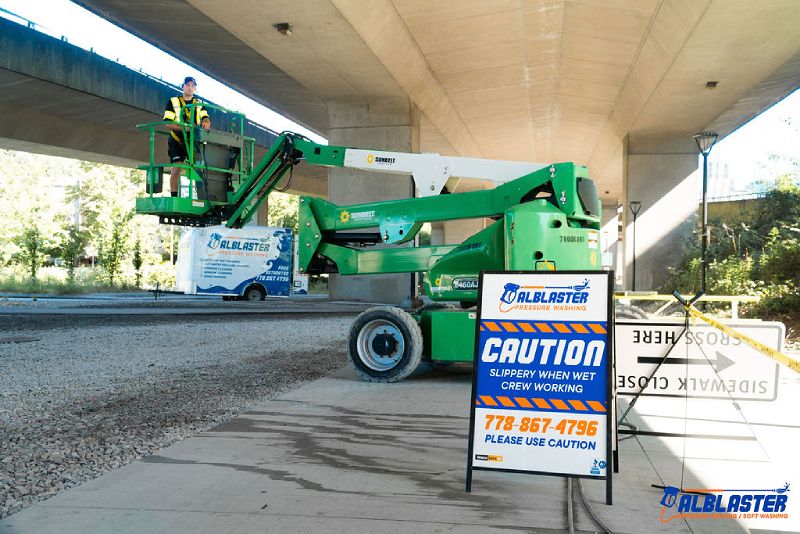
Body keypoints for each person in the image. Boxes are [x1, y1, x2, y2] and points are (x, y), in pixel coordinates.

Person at [163, 76, 211, 197]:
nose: (190, 88)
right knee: (176, 168)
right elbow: (167, 123)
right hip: (177, 139)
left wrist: (206, 121)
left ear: (195, 88)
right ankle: (174, 197)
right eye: (188, 85)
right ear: (182, 86)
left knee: (199, 168)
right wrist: (186, 128)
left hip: (193, 141)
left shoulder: (199, 104)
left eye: (192, 86)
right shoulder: (173, 101)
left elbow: (206, 117)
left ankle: (200, 196)